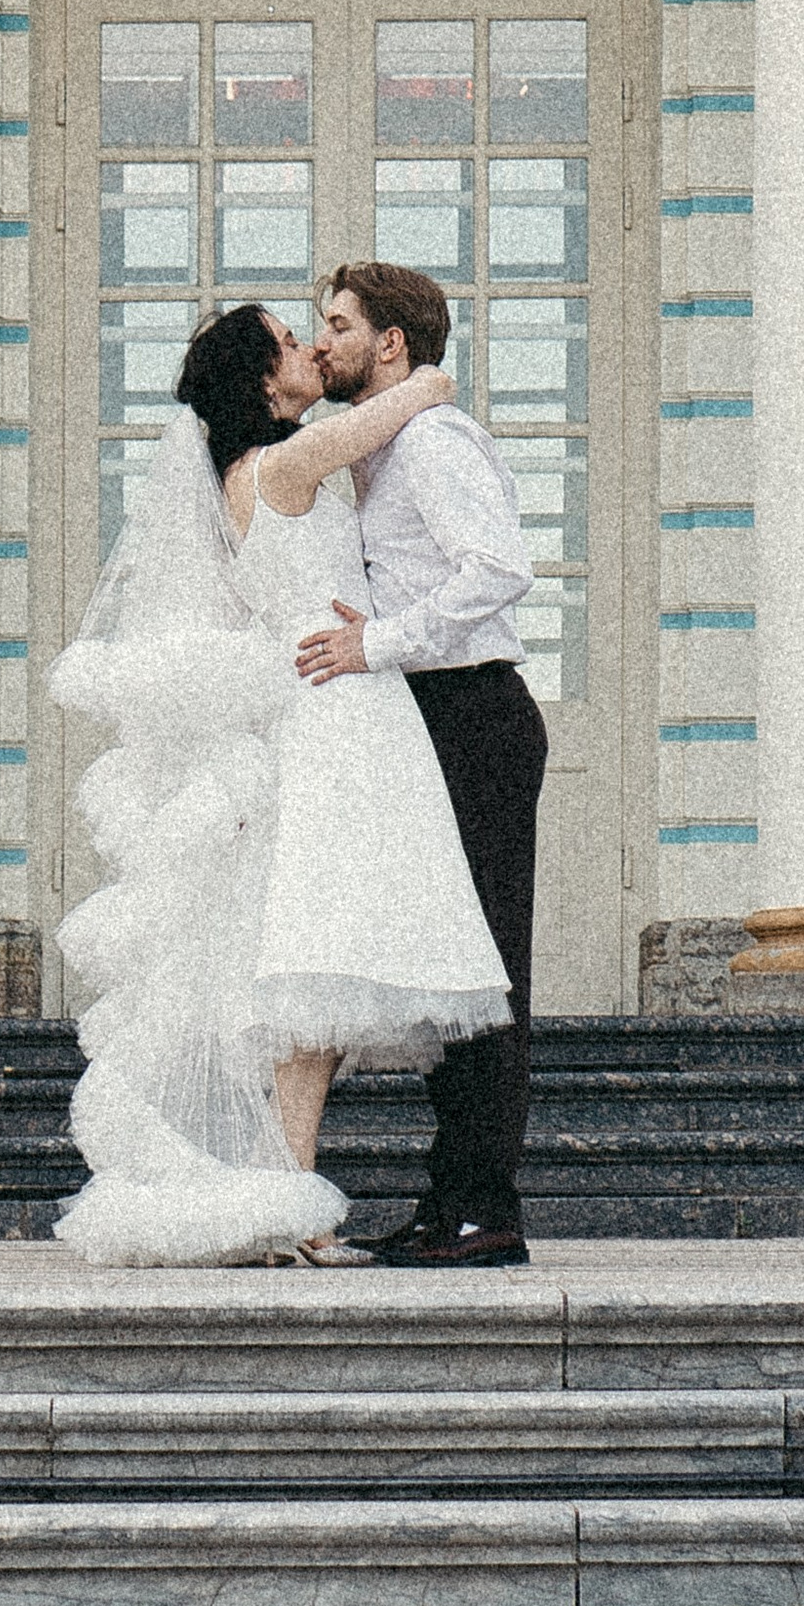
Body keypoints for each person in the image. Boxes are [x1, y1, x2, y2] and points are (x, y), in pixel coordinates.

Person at [48, 300, 509, 1268]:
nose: (308, 347)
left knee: (316, 988)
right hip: (338, 718)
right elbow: (388, 415)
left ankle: (293, 1205)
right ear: (264, 382)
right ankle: (293, 1211)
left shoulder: (253, 471)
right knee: (312, 976)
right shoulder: (281, 464)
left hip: (340, 709)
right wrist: (426, 377)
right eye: (291, 343)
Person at [295, 261, 549, 1268]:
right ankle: (452, 1203)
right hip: (429, 716)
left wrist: (379, 642)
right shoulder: (382, 445)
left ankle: (484, 1208)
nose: (322, 342)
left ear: (390, 344)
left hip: (474, 714)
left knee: (485, 973)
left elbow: (499, 571)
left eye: (338, 325)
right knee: (450, 966)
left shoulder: (433, 442)